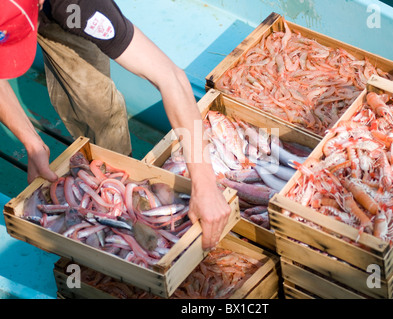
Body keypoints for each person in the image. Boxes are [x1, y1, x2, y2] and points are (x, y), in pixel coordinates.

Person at [0, 0, 231, 250]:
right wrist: (31, 142)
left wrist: (205, 182)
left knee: (95, 102)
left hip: (64, 10)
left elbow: (170, 77)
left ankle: (117, 187)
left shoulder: (80, 7)